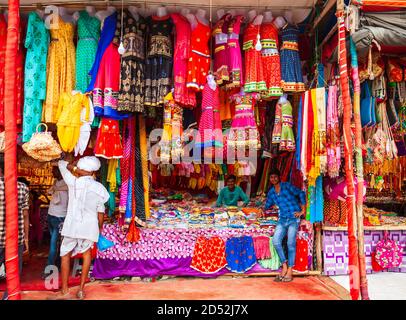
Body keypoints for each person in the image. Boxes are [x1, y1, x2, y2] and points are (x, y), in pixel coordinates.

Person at [48, 156, 109, 300]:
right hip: (89, 227)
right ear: (94, 171)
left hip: (72, 226)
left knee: (65, 255)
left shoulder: (73, 182)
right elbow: (101, 214)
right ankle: (81, 289)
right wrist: (99, 230)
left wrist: (74, 168)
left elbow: (63, 165)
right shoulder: (100, 189)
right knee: (86, 254)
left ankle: (64, 289)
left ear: (81, 170)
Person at [264, 169, 306, 282]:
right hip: (282, 219)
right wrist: (259, 208)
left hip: (293, 218)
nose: (273, 179)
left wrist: (302, 210)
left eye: (275, 176)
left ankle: (290, 270)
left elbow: (301, 193)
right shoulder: (272, 192)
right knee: (276, 241)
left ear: (279, 177)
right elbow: (267, 204)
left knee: (290, 243)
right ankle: (285, 266)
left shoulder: (286, 186)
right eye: (271, 177)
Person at [0, 157, 30, 300]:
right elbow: (25, 215)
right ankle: (8, 297)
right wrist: (26, 239)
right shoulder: (23, 188)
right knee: (14, 273)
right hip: (15, 237)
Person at [42, 166, 68, 278]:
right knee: (56, 243)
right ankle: (55, 263)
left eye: (54, 171)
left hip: (58, 217)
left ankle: (49, 269)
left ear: (60, 172)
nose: (52, 173)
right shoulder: (57, 182)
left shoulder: (66, 185)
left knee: (54, 244)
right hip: (53, 216)